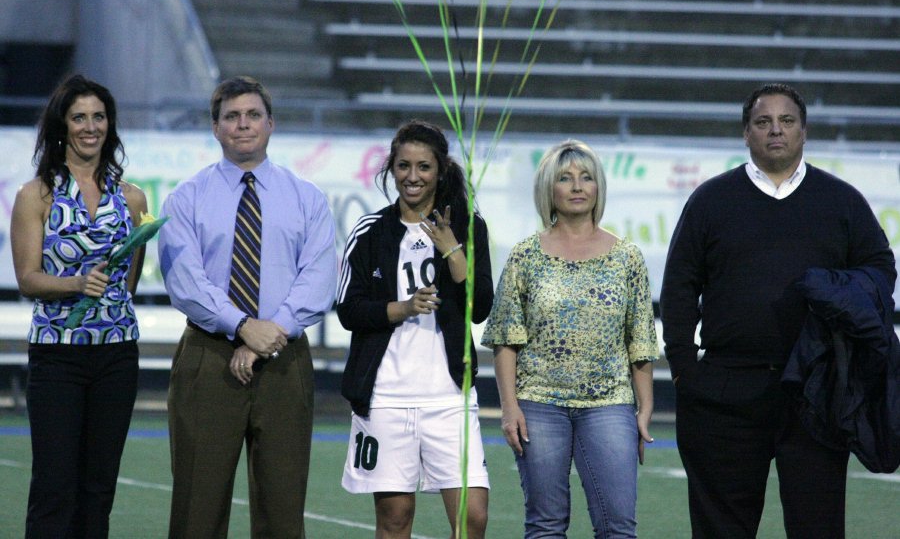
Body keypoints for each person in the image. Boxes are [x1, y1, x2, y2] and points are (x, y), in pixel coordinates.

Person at [660, 83, 897, 539]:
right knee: (720, 529)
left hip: (815, 389)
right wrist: (686, 370)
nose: (776, 131)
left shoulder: (841, 200)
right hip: (726, 388)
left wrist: (838, 294)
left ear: (804, 132)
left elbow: (880, 269)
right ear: (745, 133)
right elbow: (680, 286)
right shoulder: (710, 200)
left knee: (817, 527)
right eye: (763, 122)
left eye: (786, 121)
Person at [157, 76, 337, 538]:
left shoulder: (307, 199)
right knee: (198, 507)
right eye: (231, 116)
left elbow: (317, 281)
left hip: (284, 360)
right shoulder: (187, 198)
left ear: (271, 124)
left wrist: (263, 336)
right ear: (215, 128)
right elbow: (185, 283)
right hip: (208, 357)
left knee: (282, 511)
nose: (243, 125)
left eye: (253, 115)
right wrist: (241, 326)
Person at [481, 139, 657, 538]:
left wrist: (645, 408)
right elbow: (505, 339)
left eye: (586, 177)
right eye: (565, 178)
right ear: (549, 189)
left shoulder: (627, 257)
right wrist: (509, 408)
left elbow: (641, 342)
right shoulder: (525, 255)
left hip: (609, 404)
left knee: (619, 527)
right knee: (545, 526)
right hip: (538, 404)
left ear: (599, 188)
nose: (577, 186)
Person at [337, 120, 493, 538]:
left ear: (441, 170)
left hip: (450, 399)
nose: (412, 177)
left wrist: (452, 250)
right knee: (394, 519)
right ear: (391, 168)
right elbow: (348, 310)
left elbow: (480, 308)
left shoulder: (469, 226)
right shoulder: (370, 231)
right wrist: (403, 308)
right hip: (386, 396)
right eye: (403, 166)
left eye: (423, 167)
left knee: (472, 517)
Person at [11, 74, 148, 538]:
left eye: (99, 117)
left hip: (117, 354)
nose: (90, 127)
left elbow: (128, 280)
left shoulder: (132, 198)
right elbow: (27, 278)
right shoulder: (36, 196)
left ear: (110, 124)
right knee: (54, 488)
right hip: (57, 355)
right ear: (61, 126)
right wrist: (74, 282)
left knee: (98, 489)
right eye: (79, 117)